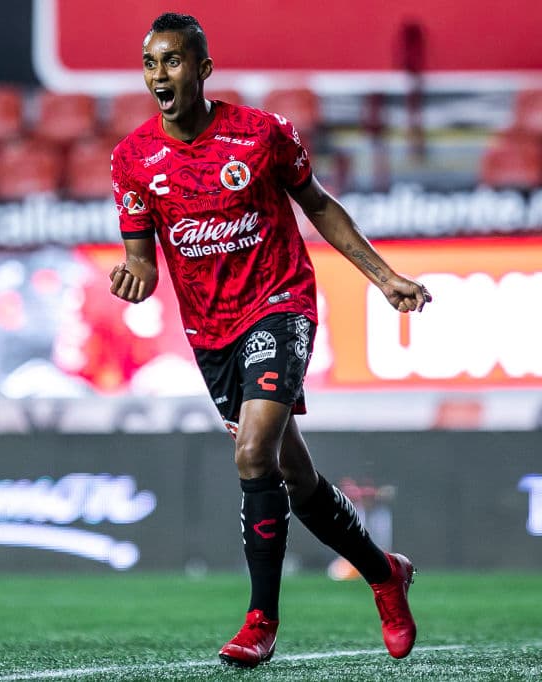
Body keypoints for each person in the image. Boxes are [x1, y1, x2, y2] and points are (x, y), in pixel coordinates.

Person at [109, 12, 430, 669]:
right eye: (150, 63)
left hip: (280, 303)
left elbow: (319, 205)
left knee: (253, 451)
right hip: (210, 331)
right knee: (291, 471)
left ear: (202, 68)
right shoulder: (134, 158)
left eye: (172, 61)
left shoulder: (261, 135)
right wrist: (136, 272)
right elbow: (139, 252)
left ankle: (261, 620)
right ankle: (383, 572)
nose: (160, 75)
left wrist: (384, 277)